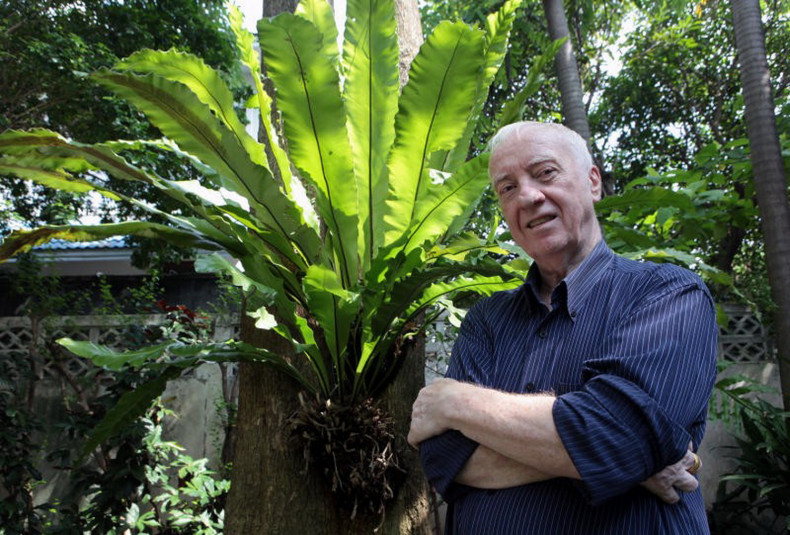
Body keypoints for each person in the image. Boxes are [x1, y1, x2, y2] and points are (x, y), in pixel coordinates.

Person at [408, 121, 718, 534]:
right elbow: (443, 457)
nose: (529, 196)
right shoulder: (486, 321)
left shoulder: (668, 293)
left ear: (593, 182)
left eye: (545, 173)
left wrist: (453, 403)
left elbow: (619, 434)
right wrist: (630, 464)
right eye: (508, 188)